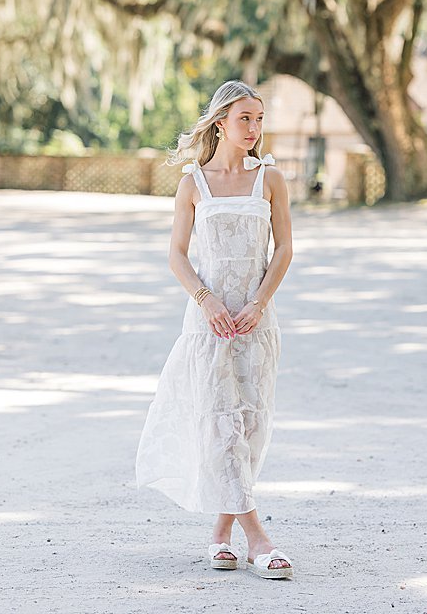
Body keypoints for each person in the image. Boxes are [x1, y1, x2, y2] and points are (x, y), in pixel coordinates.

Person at [134, 79, 295, 579]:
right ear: (221, 122)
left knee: (249, 428)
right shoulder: (193, 183)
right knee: (220, 425)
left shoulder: (270, 179)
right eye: (244, 118)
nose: (254, 128)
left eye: (260, 119)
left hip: (255, 322)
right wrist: (205, 301)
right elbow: (176, 255)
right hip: (210, 325)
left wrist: (258, 303)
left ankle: (220, 534)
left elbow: (284, 249)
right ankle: (259, 540)